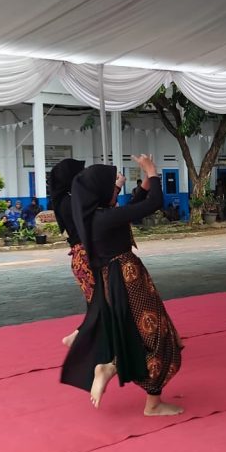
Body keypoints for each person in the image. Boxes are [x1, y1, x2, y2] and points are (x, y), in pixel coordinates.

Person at [62, 154, 184, 416]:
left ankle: (113, 366)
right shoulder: (103, 218)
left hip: (120, 279)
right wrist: (152, 171)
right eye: (112, 186)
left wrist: (143, 185)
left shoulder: (96, 216)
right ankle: (148, 399)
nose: (116, 189)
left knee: (142, 333)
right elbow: (153, 204)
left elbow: (131, 208)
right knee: (158, 336)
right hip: (128, 279)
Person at [49, 158, 91, 349]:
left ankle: (80, 337)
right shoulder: (72, 202)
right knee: (100, 303)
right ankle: (80, 338)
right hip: (87, 257)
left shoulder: (66, 200)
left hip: (81, 257)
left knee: (97, 303)